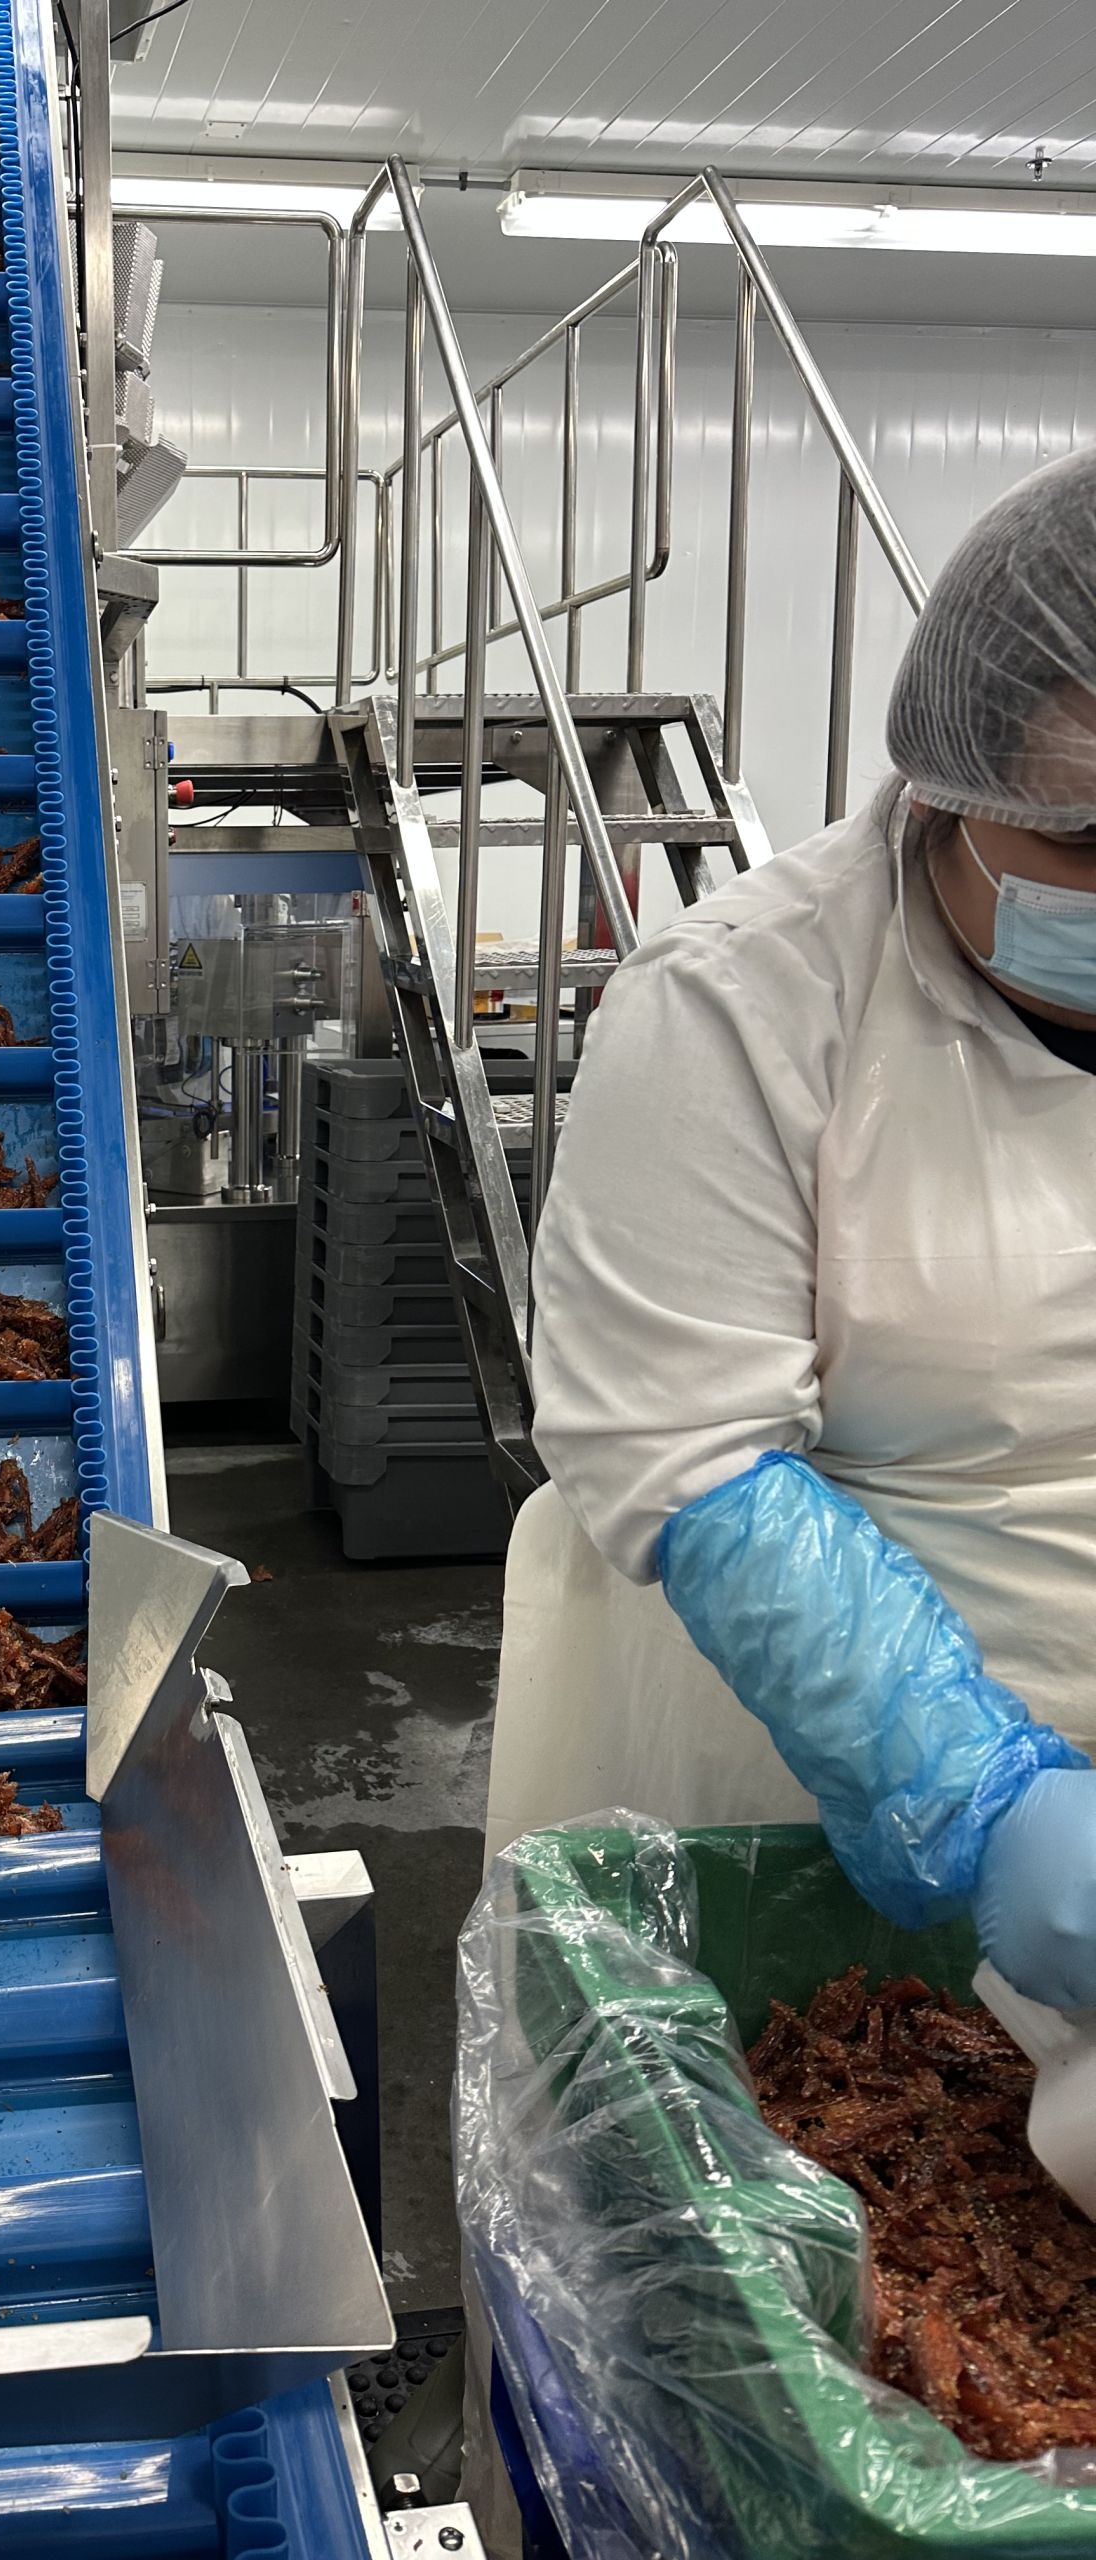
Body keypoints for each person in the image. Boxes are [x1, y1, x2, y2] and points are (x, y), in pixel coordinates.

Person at [515, 445, 1096, 2015]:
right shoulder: (741, 1007)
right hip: (827, 1809)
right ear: (959, 789)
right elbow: (691, 1453)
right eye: (1092, 852)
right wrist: (978, 1803)